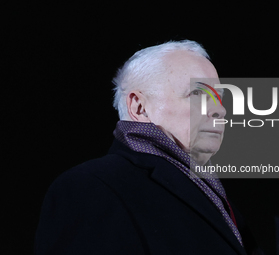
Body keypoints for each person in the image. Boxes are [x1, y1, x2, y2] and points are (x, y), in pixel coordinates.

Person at [35, 40, 261, 254]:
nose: (220, 110)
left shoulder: (217, 200)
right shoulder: (89, 188)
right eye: (197, 93)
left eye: (219, 97)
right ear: (140, 107)